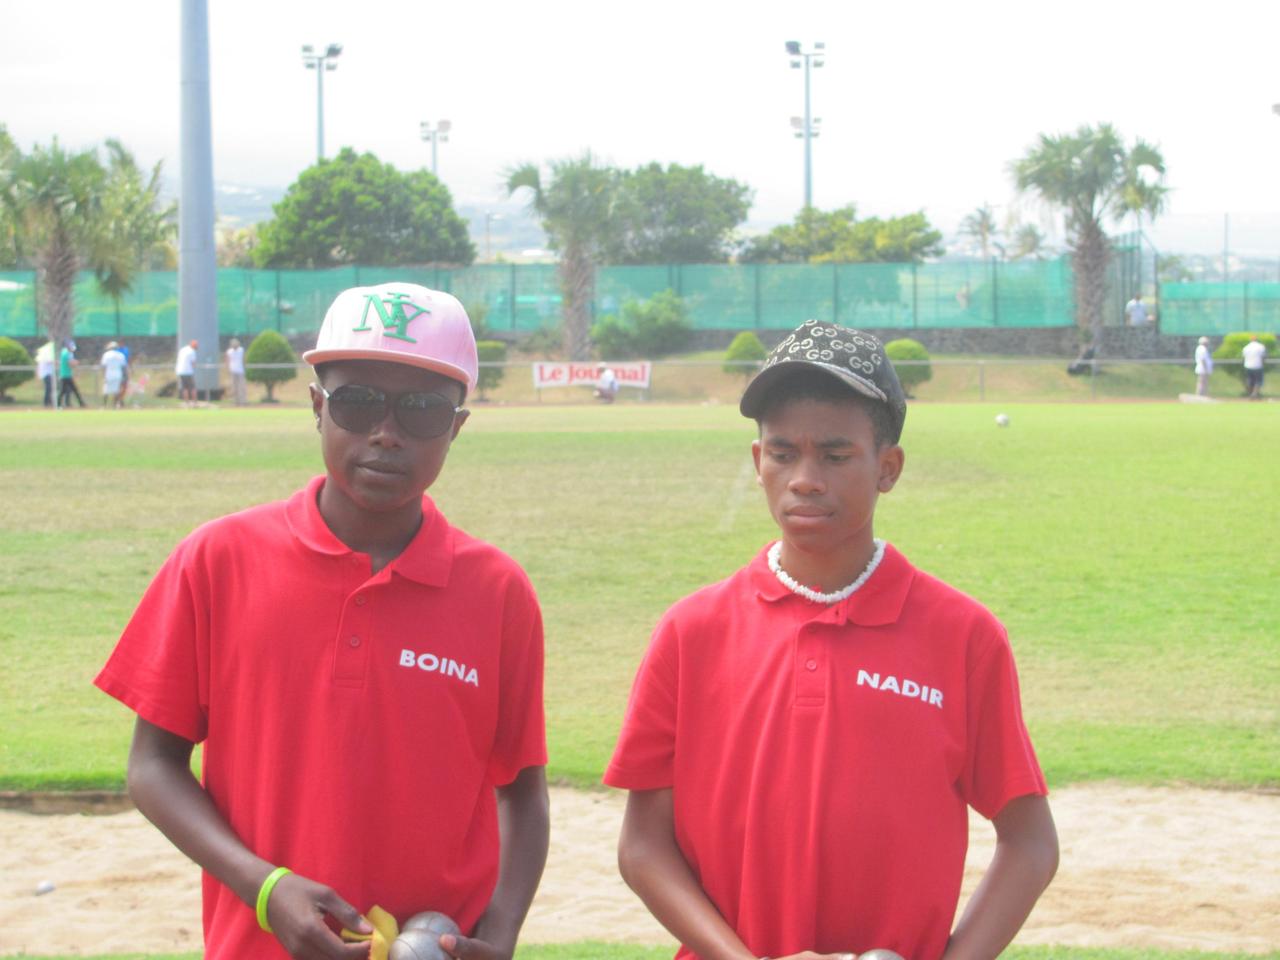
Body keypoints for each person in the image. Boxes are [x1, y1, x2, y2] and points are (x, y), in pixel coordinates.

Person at [95, 283, 550, 960]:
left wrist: (504, 929)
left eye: (422, 411)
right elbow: (153, 765)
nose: (386, 432)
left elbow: (523, 793)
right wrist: (263, 885)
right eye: (358, 401)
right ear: (317, 406)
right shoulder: (218, 560)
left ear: (456, 429)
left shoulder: (498, 591)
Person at [606, 319, 1058, 960]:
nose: (806, 478)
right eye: (784, 452)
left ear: (888, 467)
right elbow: (643, 846)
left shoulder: (963, 636)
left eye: (836, 454)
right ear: (758, 462)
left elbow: (1030, 842)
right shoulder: (691, 631)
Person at [57, 339, 86, 408]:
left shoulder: (63, 352)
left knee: (64, 391)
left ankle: (60, 404)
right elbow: (70, 363)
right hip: (66, 375)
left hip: (65, 374)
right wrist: (76, 363)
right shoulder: (67, 353)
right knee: (71, 390)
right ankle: (81, 403)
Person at [100, 341, 128, 409]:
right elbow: (123, 367)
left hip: (109, 374)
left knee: (106, 390)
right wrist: (125, 375)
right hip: (118, 374)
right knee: (117, 390)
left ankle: (104, 405)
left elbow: (104, 366)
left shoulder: (106, 354)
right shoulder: (121, 355)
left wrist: (103, 375)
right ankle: (116, 405)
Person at [1242, 334, 1267, 399]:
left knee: (1250, 380)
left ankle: (1251, 394)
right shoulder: (1261, 346)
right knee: (1258, 381)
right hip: (1258, 366)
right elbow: (1263, 356)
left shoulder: (1246, 347)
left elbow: (1243, 357)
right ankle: (1254, 394)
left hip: (1247, 365)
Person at [175, 338, 198, 405]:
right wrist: (194, 367)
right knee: (193, 387)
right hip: (188, 372)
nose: (197, 346)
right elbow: (193, 363)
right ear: (193, 345)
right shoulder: (192, 351)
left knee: (185, 388)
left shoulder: (182, 349)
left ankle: (186, 402)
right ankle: (195, 402)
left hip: (180, 371)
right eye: (196, 345)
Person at [226, 337, 247, 406]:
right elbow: (228, 361)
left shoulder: (241, 350)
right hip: (233, 370)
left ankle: (243, 401)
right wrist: (228, 369)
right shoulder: (229, 351)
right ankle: (236, 402)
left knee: (241, 387)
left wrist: (244, 367)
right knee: (234, 387)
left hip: (240, 371)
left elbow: (244, 359)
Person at [35, 338, 55, 407]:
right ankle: (46, 402)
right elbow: (49, 361)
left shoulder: (46, 356)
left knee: (49, 388)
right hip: (46, 374)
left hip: (48, 374)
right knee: (48, 388)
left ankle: (49, 401)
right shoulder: (45, 357)